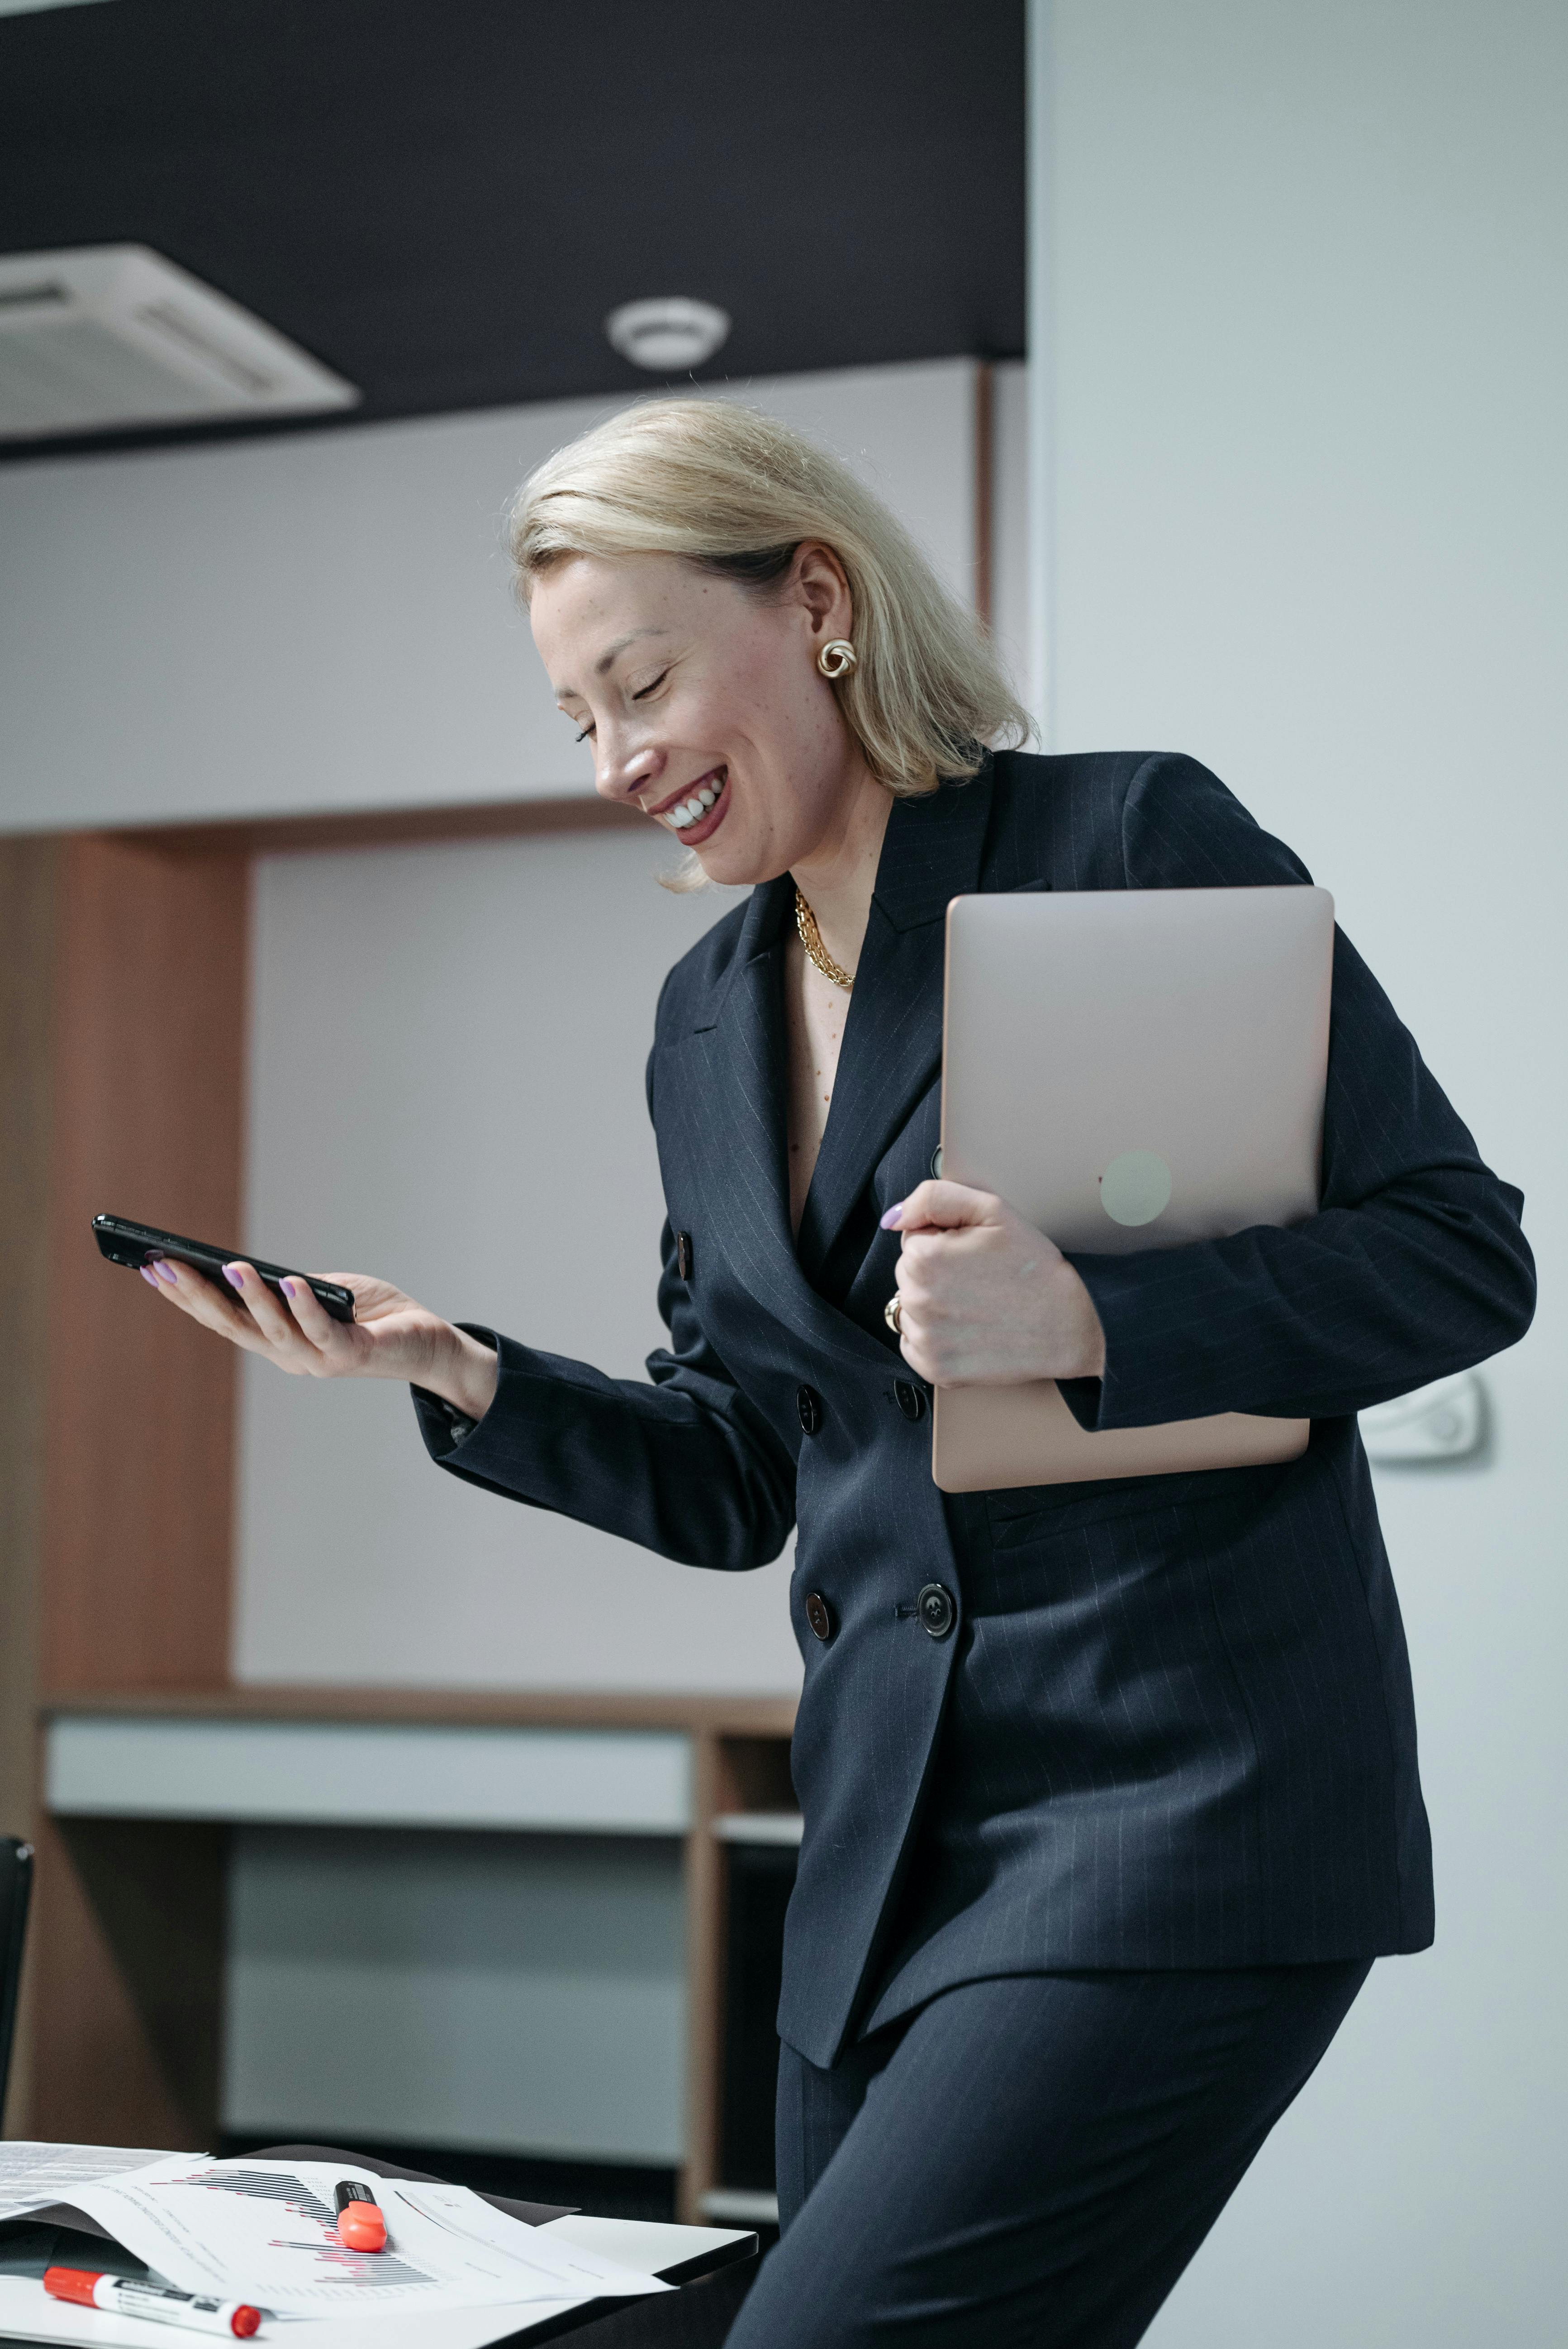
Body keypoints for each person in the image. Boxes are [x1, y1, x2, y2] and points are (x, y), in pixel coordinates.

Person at [145, 399, 1535, 2347]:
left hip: (1170, 1814)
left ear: (816, 599)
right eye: (577, 721)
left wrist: (1095, 1319)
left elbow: (1458, 1252)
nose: (618, 758)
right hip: (878, 1869)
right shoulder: (702, 1017)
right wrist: (456, 1370)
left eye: (637, 681)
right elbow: (740, 1469)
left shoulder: (1124, 838)